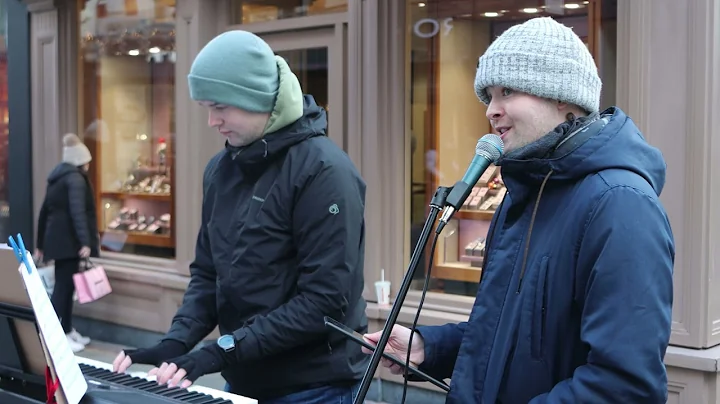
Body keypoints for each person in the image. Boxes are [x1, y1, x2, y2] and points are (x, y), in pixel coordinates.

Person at [364, 16, 674, 403]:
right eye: (489, 96)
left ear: (562, 95)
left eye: (507, 91)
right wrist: (431, 347)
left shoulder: (621, 205)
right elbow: (511, 333)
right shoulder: (525, 192)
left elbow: (624, 387)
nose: (491, 110)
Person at [111, 30, 369, 403]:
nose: (213, 121)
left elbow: (324, 302)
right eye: (206, 108)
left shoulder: (324, 171)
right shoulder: (220, 169)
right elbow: (208, 273)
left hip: (314, 386)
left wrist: (220, 351)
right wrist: (177, 342)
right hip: (245, 377)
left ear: (255, 97)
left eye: (220, 106)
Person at [36, 133, 99, 353]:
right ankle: (55, 336)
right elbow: (78, 211)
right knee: (63, 289)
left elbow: (44, 211)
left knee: (66, 287)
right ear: (82, 161)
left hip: (57, 240)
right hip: (69, 243)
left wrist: (40, 244)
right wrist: (85, 241)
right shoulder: (75, 180)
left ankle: (66, 329)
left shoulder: (57, 178)